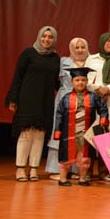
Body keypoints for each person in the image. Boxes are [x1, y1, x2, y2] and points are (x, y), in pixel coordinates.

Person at [6, 26, 60, 182]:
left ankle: (34, 168)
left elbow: (55, 81)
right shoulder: (28, 53)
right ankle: (20, 168)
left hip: (45, 101)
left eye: (50, 37)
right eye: (44, 36)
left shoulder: (55, 58)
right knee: (26, 133)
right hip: (27, 99)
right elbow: (17, 77)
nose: (46, 39)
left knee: (40, 135)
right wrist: (13, 98)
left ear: (54, 40)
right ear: (39, 36)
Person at [53, 67, 109, 187]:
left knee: (84, 157)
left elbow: (103, 109)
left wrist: (103, 121)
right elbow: (59, 115)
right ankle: (62, 179)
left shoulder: (94, 97)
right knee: (66, 156)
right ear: (72, 82)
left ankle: (83, 178)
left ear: (87, 81)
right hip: (69, 133)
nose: (80, 83)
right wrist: (57, 130)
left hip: (86, 133)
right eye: (77, 80)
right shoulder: (66, 98)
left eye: (83, 80)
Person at [45, 37, 90, 179]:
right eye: (77, 47)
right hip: (65, 100)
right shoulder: (63, 61)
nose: (80, 50)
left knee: (79, 134)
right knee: (61, 131)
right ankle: (57, 169)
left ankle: (76, 169)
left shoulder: (91, 61)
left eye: (83, 47)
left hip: (83, 101)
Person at [85, 32, 110, 181]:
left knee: (107, 134)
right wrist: (98, 88)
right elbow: (85, 79)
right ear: (102, 42)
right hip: (94, 100)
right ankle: (87, 170)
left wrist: (108, 89)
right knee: (91, 134)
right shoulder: (92, 59)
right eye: (108, 41)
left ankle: (104, 171)